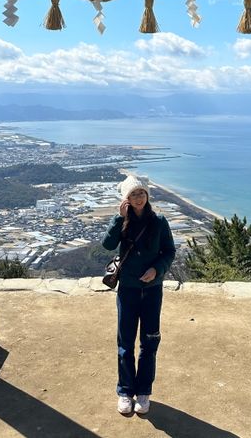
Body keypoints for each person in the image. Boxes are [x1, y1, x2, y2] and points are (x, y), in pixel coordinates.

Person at [102, 174, 176, 416]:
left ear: (147, 195)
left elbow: (169, 251)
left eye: (141, 193)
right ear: (126, 199)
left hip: (152, 291)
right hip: (128, 290)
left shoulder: (159, 221)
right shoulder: (122, 222)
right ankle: (125, 391)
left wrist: (157, 269)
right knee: (125, 342)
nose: (138, 197)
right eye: (133, 194)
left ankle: (143, 391)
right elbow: (107, 245)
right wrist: (118, 218)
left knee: (149, 341)